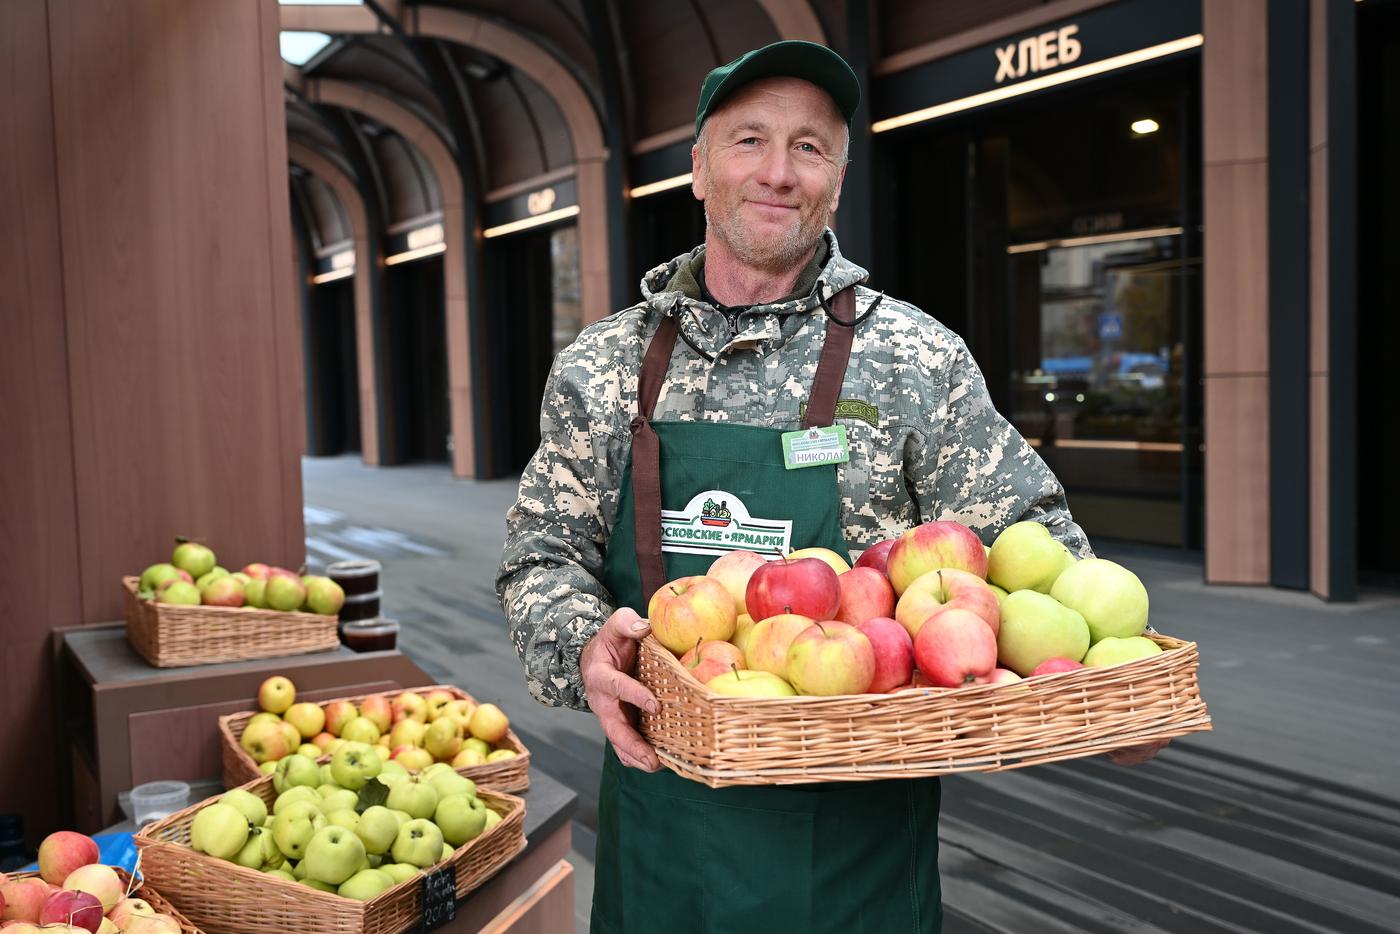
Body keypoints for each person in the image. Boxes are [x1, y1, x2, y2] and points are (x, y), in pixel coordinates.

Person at [497, 39, 1162, 934]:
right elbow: (541, 556)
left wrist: (1102, 686)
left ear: (838, 181)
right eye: (748, 141)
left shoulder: (916, 360)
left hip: (859, 852)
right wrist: (582, 646)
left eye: (809, 147)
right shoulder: (605, 367)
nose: (778, 172)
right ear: (697, 169)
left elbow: (1033, 547)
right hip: (666, 832)